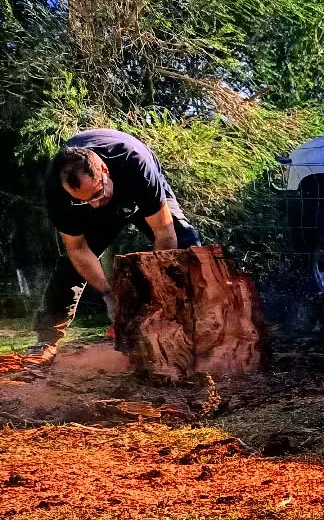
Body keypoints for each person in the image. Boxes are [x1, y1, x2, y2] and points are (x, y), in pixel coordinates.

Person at [24, 129, 201, 364]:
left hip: (135, 190)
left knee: (187, 243)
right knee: (69, 268)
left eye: (96, 194)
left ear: (105, 171)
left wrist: (161, 298)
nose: (95, 205)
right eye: (83, 200)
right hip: (101, 192)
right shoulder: (57, 190)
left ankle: (196, 326)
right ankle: (46, 340)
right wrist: (108, 295)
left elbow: (164, 232)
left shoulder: (134, 162)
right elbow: (77, 249)